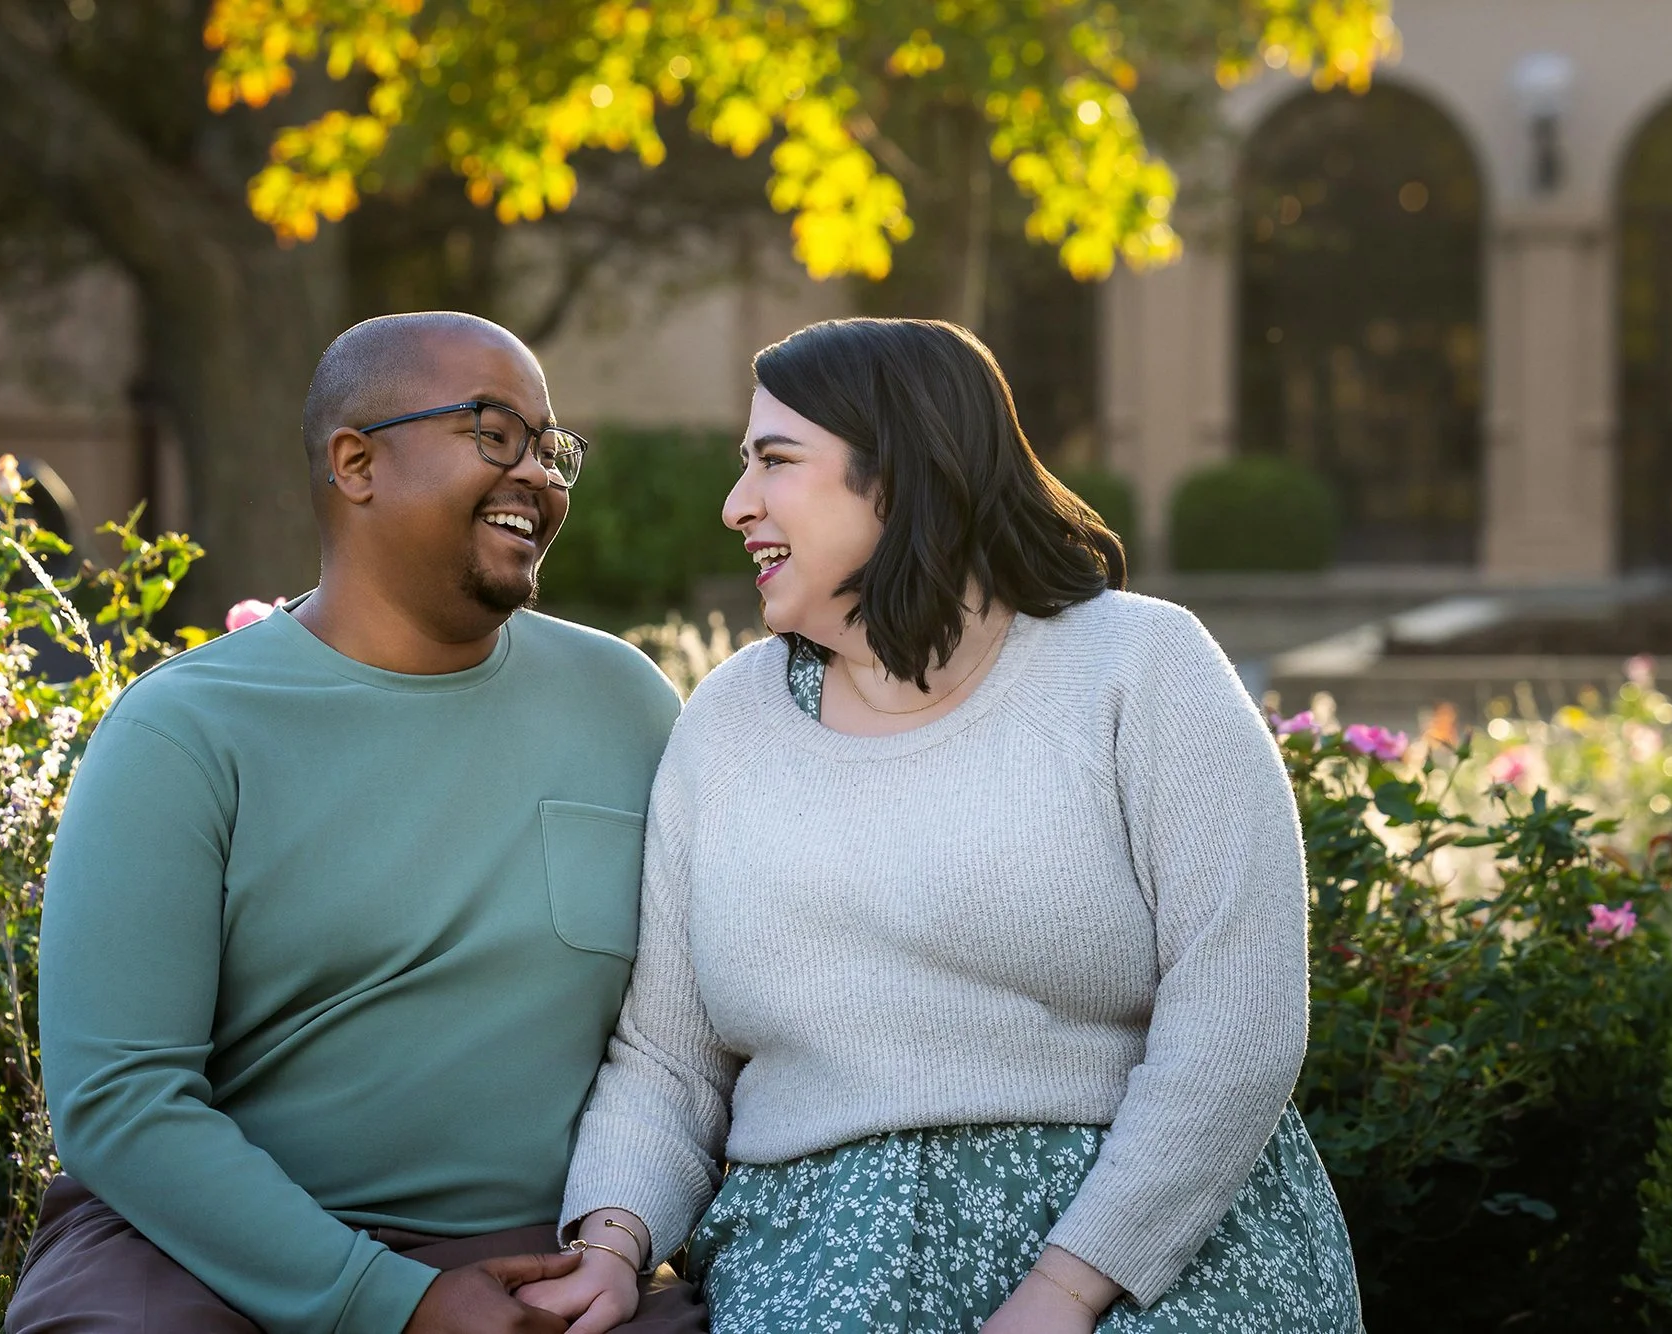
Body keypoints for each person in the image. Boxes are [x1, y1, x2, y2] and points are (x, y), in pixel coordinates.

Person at [522, 318, 1363, 1334]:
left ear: (901, 473)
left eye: (774, 461)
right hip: (823, 1256)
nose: (734, 503)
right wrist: (610, 1245)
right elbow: (667, 1057)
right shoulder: (724, 724)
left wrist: (1064, 1289)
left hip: (1154, 1248)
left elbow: (1236, 1021)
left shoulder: (1140, 668)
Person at [8, 312, 704, 1334]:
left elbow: (684, 1038)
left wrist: (609, 1241)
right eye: (494, 433)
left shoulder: (626, 705)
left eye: (551, 449)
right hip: (203, 1255)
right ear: (356, 461)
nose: (541, 477)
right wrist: (391, 1301)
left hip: (529, 1260)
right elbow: (121, 1096)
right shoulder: (184, 732)